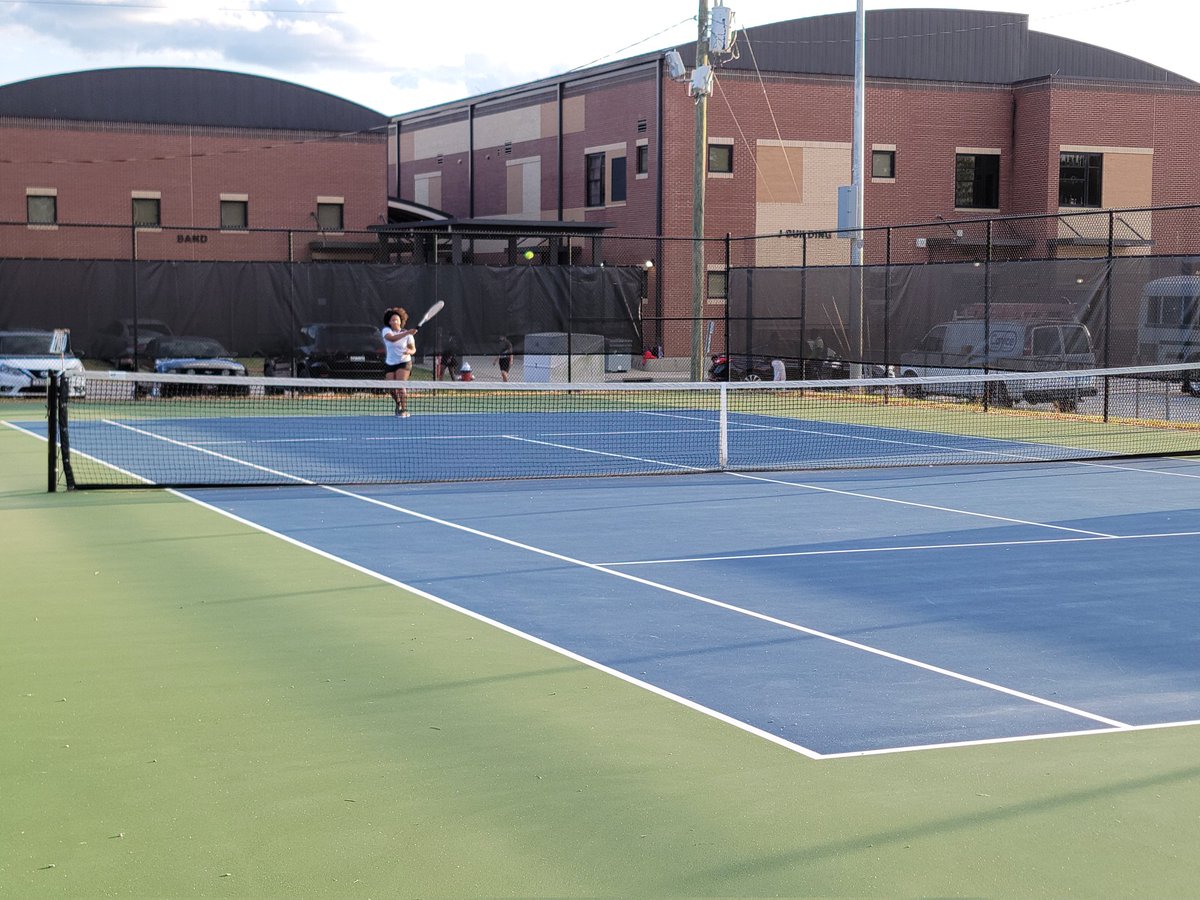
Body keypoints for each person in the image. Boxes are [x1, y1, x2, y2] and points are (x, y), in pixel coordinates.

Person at [381, 307, 418, 417]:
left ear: (401, 321)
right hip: (390, 363)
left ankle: (404, 408)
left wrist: (409, 351)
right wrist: (407, 333)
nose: (395, 321)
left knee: (401, 385)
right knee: (391, 388)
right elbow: (392, 339)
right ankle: (398, 404)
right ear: (389, 322)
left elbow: (413, 349)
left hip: (404, 362)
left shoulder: (408, 335)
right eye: (392, 320)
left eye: (397, 319)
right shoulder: (386, 331)